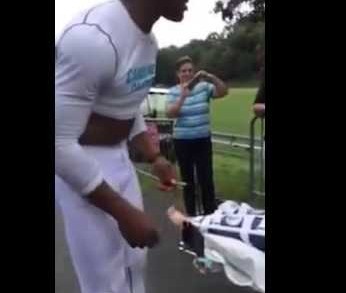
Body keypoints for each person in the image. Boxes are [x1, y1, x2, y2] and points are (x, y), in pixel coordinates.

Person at [55, 1, 187, 292]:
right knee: (104, 280)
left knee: (136, 263)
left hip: (119, 157)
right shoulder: (91, 38)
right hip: (78, 163)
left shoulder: (148, 42)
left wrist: (154, 156)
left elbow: (126, 103)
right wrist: (123, 212)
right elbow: (58, 143)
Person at [166, 56, 228, 216]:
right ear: (178, 74)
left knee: (206, 179)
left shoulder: (203, 87)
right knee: (188, 182)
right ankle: (192, 218)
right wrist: (183, 96)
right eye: (183, 71)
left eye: (190, 70)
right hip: (182, 141)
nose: (187, 73)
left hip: (202, 140)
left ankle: (210, 216)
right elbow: (170, 114)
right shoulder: (173, 91)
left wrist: (211, 77)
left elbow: (223, 92)